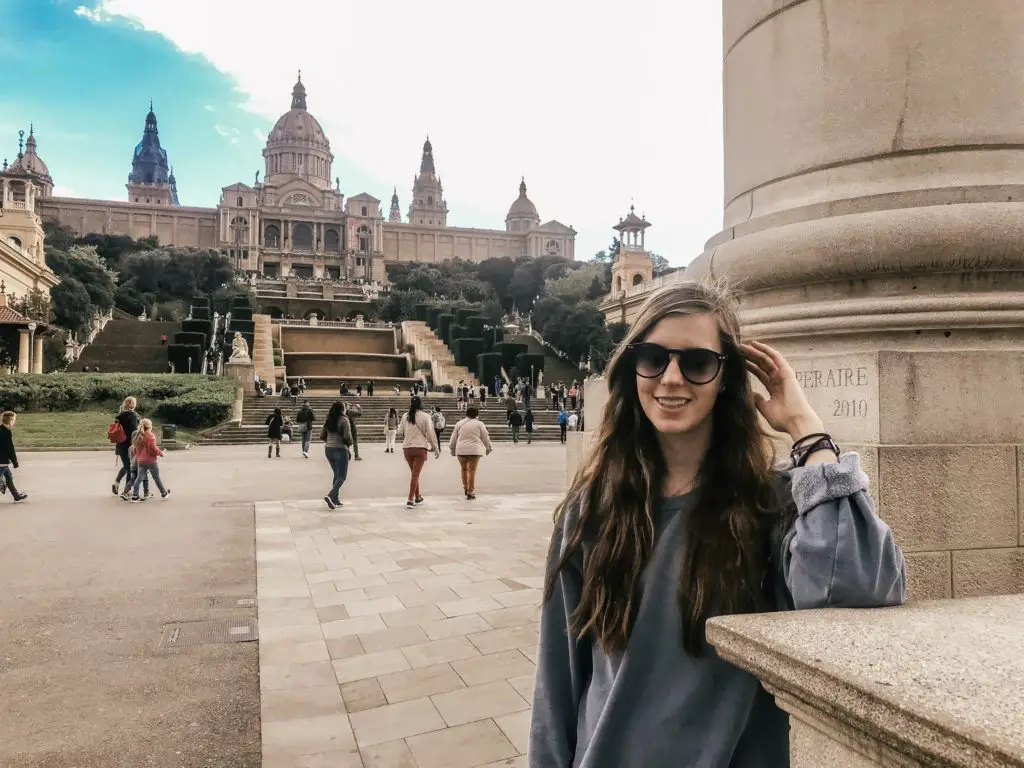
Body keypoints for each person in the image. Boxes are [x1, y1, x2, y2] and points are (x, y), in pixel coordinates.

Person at [528, 281, 907, 767]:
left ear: (726, 378)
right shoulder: (592, 508)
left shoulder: (774, 503)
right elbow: (558, 679)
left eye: (697, 363)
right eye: (652, 357)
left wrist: (807, 431)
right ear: (632, 368)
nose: (671, 378)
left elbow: (858, 583)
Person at [397, 396, 439, 508]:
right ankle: (410, 499)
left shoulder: (405, 415)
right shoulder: (425, 416)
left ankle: (418, 497)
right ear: (421, 404)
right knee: (415, 475)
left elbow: (400, 431)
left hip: (407, 448)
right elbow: (430, 434)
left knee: (414, 474)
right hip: (420, 448)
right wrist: (435, 448)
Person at [448, 405, 492, 500]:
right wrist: (488, 447)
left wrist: (452, 449)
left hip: (461, 450)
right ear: (476, 415)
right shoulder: (480, 424)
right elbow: (485, 437)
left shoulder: (459, 423)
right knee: (472, 471)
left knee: (464, 469)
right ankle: (470, 491)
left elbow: (453, 438)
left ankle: (465, 487)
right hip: (474, 451)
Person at [321, 400, 353, 510]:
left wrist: (329, 441)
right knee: (342, 476)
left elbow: (322, 435)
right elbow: (347, 436)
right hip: (340, 449)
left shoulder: (328, 419)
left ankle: (335, 499)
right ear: (342, 409)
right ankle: (331, 495)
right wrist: (350, 444)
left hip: (328, 449)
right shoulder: (344, 420)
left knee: (336, 474)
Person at [129, 419, 170, 502]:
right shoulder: (150, 435)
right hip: (150, 461)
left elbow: (135, 449)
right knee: (156, 478)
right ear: (150, 426)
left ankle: (135, 495)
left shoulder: (138, 435)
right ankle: (164, 493)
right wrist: (161, 453)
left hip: (140, 461)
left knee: (139, 478)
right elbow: (153, 449)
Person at [112, 396, 141, 496]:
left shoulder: (119, 415)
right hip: (129, 446)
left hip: (120, 445)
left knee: (126, 466)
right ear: (134, 404)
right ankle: (127, 490)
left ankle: (116, 483)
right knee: (130, 468)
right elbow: (134, 431)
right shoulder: (133, 416)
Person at [0, 411, 27, 502]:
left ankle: (16, 495)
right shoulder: (6, 432)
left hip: (2, 460)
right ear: (11, 421)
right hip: (2, 460)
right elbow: (10, 448)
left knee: (8, 476)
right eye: (14, 420)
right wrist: (15, 462)